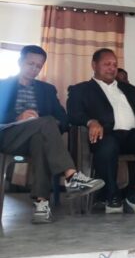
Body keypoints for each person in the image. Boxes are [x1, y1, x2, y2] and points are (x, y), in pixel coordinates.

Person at [0, 45, 104, 223]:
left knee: (41, 138)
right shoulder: (3, 86)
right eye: (30, 64)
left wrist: (49, 126)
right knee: (46, 122)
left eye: (38, 66)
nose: (34, 69)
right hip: (8, 137)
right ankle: (72, 176)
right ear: (20, 62)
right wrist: (18, 117)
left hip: (36, 138)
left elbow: (63, 118)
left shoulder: (47, 90)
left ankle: (41, 204)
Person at [67, 48, 135, 214]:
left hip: (132, 135)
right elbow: (73, 114)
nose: (112, 68)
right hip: (105, 135)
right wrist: (90, 122)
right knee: (108, 144)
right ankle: (111, 195)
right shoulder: (81, 89)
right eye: (107, 64)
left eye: (114, 65)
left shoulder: (129, 89)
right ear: (94, 65)